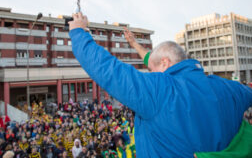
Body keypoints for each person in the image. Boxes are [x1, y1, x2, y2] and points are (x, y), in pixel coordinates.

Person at [68, 13, 252, 158]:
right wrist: (134, 45)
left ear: (164, 63)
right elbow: (157, 61)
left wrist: (79, 33)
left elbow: (109, 70)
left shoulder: (161, 90)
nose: (150, 74)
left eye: (151, 69)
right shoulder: (231, 88)